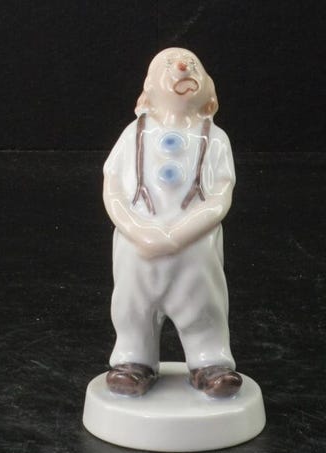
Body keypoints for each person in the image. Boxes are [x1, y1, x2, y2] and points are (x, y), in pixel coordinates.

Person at [102, 47, 241, 398]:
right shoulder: (133, 134)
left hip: (194, 242)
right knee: (133, 303)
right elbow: (112, 186)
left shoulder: (216, 139)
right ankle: (134, 360)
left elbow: (220, 195)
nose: (182, 67)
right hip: (138, 243)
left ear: (209, 87)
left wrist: (180, 233)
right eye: (168, 65)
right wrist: (136, 229)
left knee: (202, 302)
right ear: (148, 89)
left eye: (194, 64)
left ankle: (210, 362)